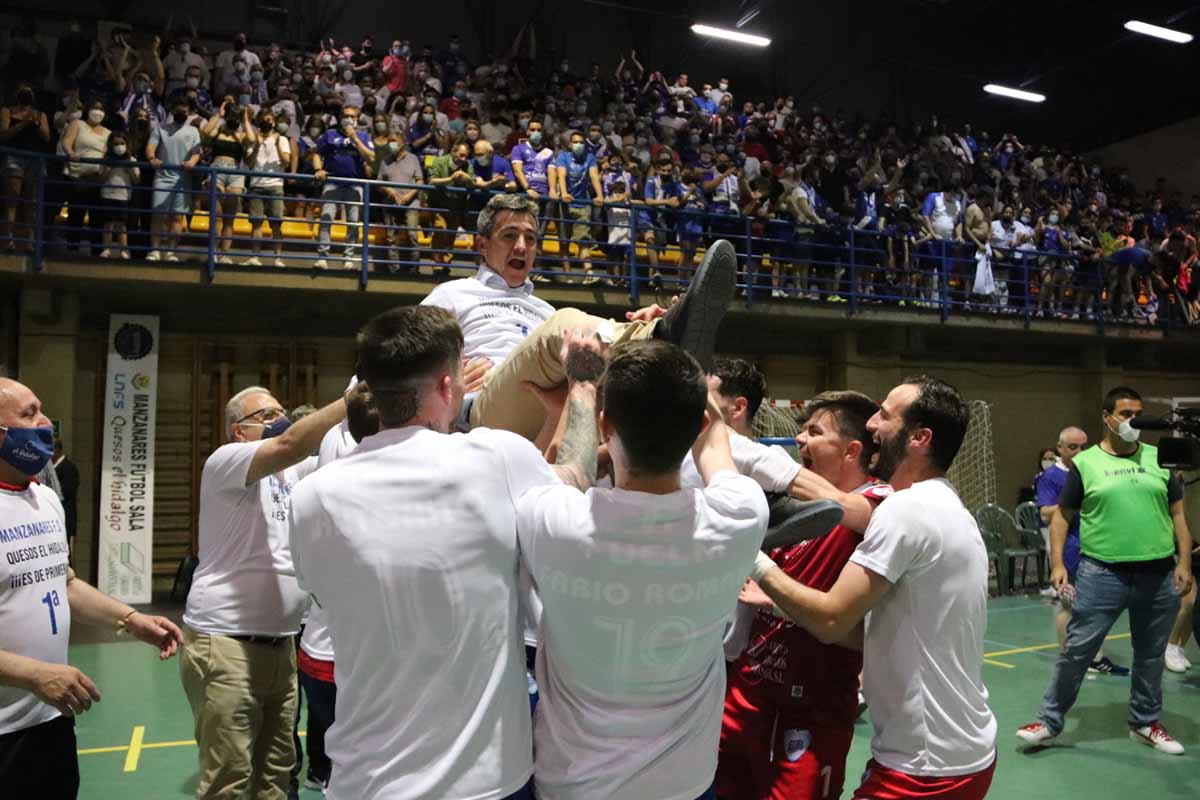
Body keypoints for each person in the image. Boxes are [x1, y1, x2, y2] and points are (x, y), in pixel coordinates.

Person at [289, 305, 601, 800]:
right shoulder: (495, 458)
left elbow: (324, 595)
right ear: (445, 386)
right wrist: (583, 383)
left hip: (365, 783)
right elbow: (577, 477)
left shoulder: (313, 496)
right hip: (486, 782)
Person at [516, 340, 768, 799]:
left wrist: (583, 382)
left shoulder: (554, 523)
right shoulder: (740, 516)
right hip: (684, 785)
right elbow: (715, 449)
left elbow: (571, 467)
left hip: (574, 785)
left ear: (605, 427)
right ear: (700, 424)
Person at [749, 376, 998, 799]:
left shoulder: (907, 510)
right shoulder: (943, 505)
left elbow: (830, 619)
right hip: (957, 752)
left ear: (919, 437)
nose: (871, 425)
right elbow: (863, 633)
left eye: (884, 414)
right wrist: (781, 606)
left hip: (924, 767)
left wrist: (751, 559)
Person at [419, 193, 737, 443]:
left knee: (620, 384)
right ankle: (662, 338)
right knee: (565, 328)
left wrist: (634, 325)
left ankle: (656, 340)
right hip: (487, 410)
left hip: (560, 406)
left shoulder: (543, 310)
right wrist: (448, 377)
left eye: (530, 239)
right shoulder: (453, 294)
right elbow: (401, 357)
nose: (522, 246)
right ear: (482, 245)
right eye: (510, 235)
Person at [0, 377, 184, 797]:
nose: (46, 423)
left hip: (51, 718)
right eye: (29, 414)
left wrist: (131, 620)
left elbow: (62, 582)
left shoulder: (44, 497)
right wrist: (34, 674)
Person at [718, 390, 891, 800]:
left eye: (814, 432)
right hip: (746, 694)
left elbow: (853, 628)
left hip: (813, 708)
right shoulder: (785, 506)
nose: (800, 440)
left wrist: (775, 600)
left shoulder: (878, 506)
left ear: (852, 450)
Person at [180, 385, 347, 799]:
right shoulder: (226, 461)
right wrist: (352, 397)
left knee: (274, 775)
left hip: (281, 645)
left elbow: (340, 459)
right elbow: (291, 443)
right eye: (265, 415)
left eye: (281, 410)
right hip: (226, 644)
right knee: (229, 779)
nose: (278, 418)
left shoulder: (290, 477)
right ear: (238, 431)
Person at [1017, 386, 1193, 755]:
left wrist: (1184, 561)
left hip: (1157, 574)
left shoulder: (1160, 459)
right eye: (1125, 414)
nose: (1133, 422)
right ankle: (1048, 722)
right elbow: (1062, 517)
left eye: (1138, 414)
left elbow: (1177, 514)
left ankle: (1144, 722)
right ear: (1107, 417)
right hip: (1102, 574)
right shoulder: (1086, 464)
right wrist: (1059, 564)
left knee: (1149, 654)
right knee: (1077, 651)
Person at [1035, 426, 1129, 673]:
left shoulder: (1092, 468)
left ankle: (1091, 656)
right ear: (1060, 448)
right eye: (1073, 447)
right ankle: (1073, 659)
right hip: (1069, 547)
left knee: (1093, 606)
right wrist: (1074, 503)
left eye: (1083, 446)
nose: (1079, 451)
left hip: (1096, 545)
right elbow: (1044, 512)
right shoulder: (1051, 477)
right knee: (1070, 604)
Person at [312, 105, 376, 270]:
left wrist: (355, 139)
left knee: (353, 223)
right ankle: (322, 257)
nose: (348, 119)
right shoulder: (329, 134)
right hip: (332, 183)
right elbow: (317, 153)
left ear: (357, 119)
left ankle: (348, 258)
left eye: (352, 116)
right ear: (340, 118)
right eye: (346, 115)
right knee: (326, 219)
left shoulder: (363, 135)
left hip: (355, 185)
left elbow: (371, 157)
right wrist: (318, 169)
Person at [146, 101, 203, 262]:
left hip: (183, 179)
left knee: (177, 217)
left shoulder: (193, 131)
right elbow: (151, 146)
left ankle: (171, 252)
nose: (182, 113)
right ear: (172, 111)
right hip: (162, 177)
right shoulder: (161, 128)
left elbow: (196, 152)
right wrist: (152, 157)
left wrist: (192, 161)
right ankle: (155, 250)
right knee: (158, 215)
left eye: (185, 111)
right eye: (179, 110)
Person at [201, 101, 251, 265]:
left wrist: (244, 119)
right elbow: (205, 132)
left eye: (235, 116)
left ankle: (224, 254)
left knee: (229, 218)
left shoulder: (241, 135)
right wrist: (219, 114)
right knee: (217, 215)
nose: (232, 119)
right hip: (217, 169)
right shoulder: (218, 131)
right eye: (231, 116)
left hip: (235, 172)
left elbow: (251, 139)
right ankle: (213, 251)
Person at [244, 107, 291, 267]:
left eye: (269, 119)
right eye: (264, 119)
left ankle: (278, 258)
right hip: (256, 185)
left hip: (275, 185)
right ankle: (255, 257)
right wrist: (257, 145)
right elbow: (249, 165)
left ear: (274, 122)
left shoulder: (282, 140)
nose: (267, 122)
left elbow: (286, 162)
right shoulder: (252, 139)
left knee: (276, 223)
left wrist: (277, 144)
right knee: (256, 223)